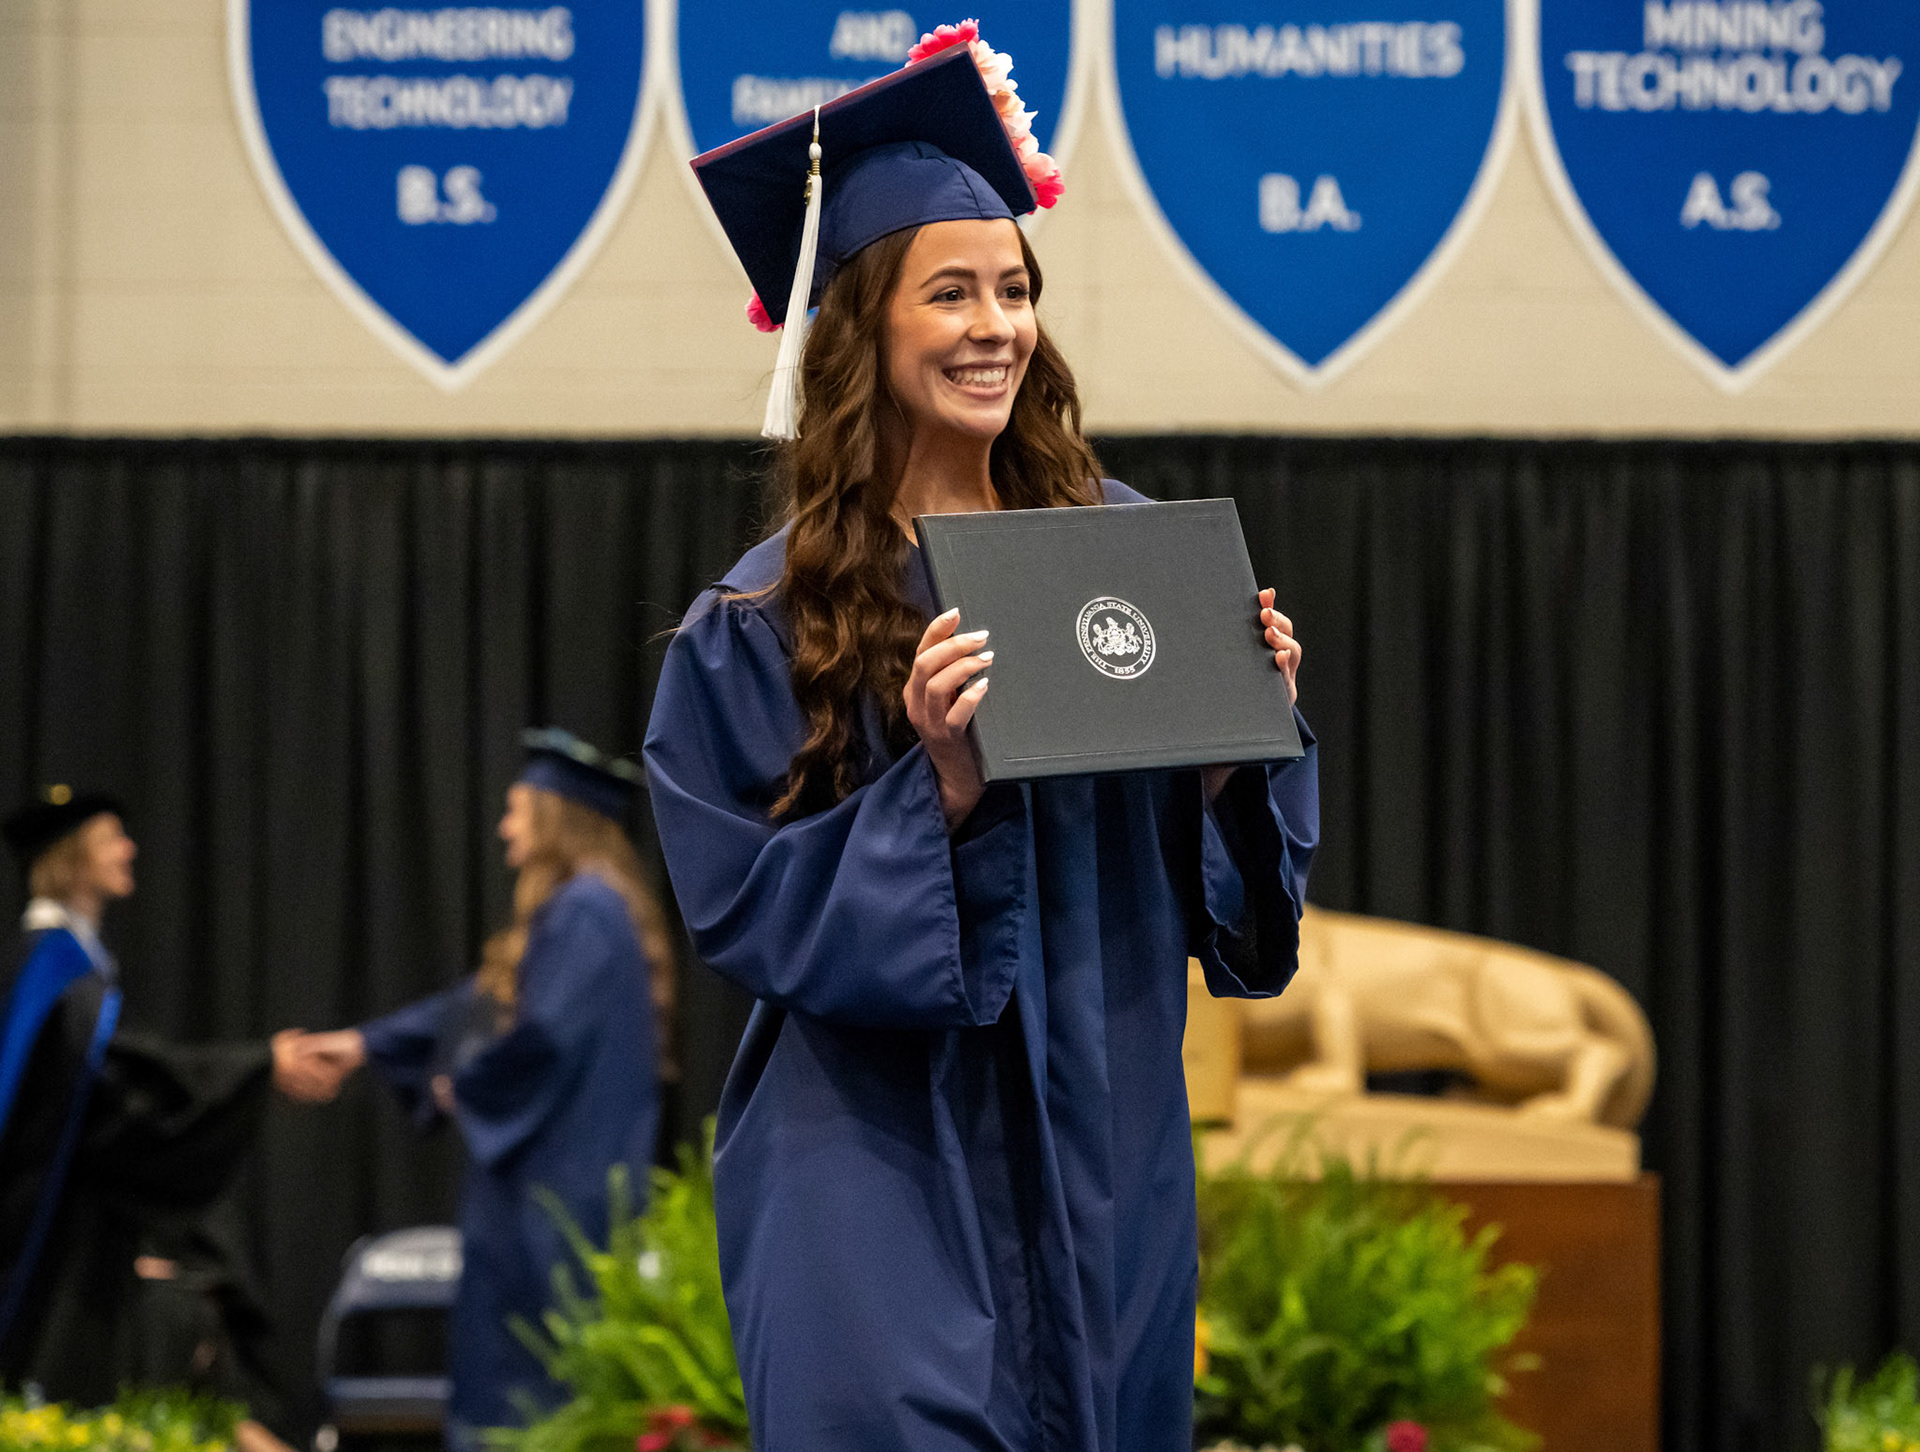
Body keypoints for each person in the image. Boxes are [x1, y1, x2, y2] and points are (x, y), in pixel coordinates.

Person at [642, 25, 1319, 1452]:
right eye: (949, 292)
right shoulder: (762, 622)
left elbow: (1233, 899)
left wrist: (1227, 756)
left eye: (1014, 290)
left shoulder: (1124, 560)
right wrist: (937, 791)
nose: (994, 326)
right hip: (877, 1168)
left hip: (1103, 1151)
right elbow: (740, 906)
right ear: (861, 330)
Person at [293, 729, 670, 1451]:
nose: (503, 827)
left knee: (532, 1401)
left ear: (555, 818)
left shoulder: (586, 912)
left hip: (553, 1208)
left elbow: (542, 1041)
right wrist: (366, 1044)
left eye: (516, 809)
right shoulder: (579, 912)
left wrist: (461, 1086)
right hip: (544, 1198)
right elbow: (472, 1008)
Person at [0, 785, 330, 1437]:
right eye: (112, 840)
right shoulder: (54, 967)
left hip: (77, 1225)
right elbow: (122, 1084)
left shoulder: (65, 962)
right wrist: (257, 1065)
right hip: (51, 1236)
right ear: (72, 856)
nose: (130, 850)